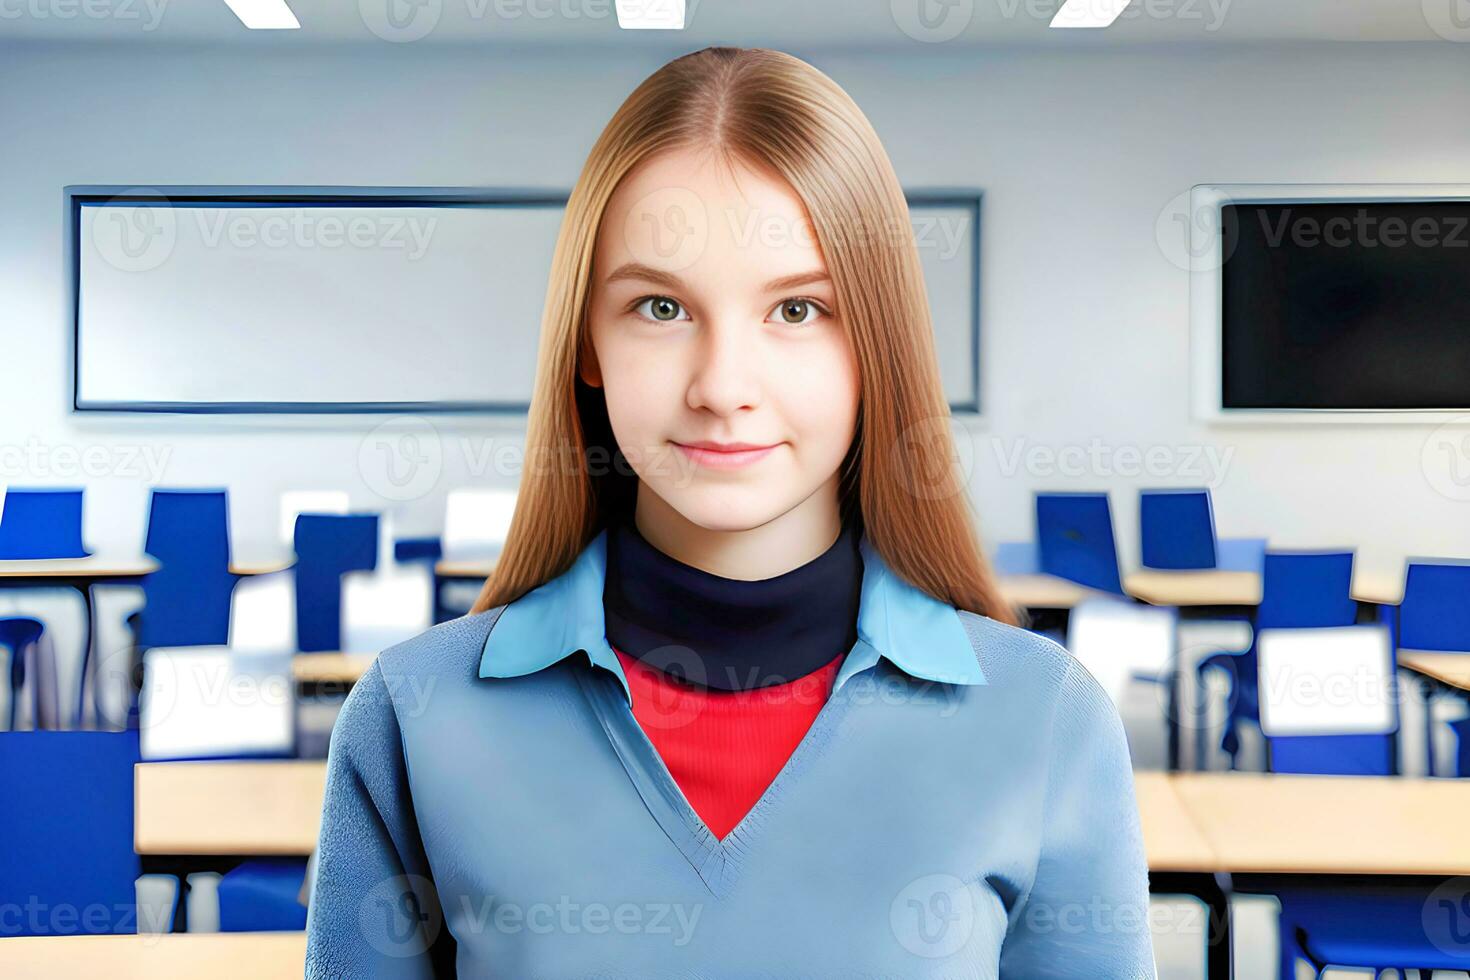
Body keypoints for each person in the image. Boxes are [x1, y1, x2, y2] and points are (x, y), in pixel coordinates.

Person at [305, 45, 1155, 979]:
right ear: (587, 342)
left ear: (877, 342)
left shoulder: (1044, 721)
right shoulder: (416, 718)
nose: (722, 387)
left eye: (797, 312)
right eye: (661, 307)